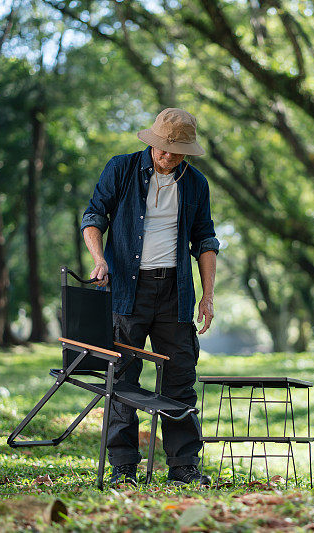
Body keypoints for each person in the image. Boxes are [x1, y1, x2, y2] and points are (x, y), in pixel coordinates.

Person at [80, 107, 219, 486]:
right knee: (122, 378)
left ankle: (184, 467)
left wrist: (207, 296)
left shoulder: (196, 184)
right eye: (163, 148)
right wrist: (99, 259)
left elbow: (205, 240)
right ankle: (123, 468)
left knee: (179, 377)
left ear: (187, 151)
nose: (168, 156)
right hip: (126, 288)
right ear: (153, 142)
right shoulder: (121, 169)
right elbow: (94, 217)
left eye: (177, 151)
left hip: (175, 292)